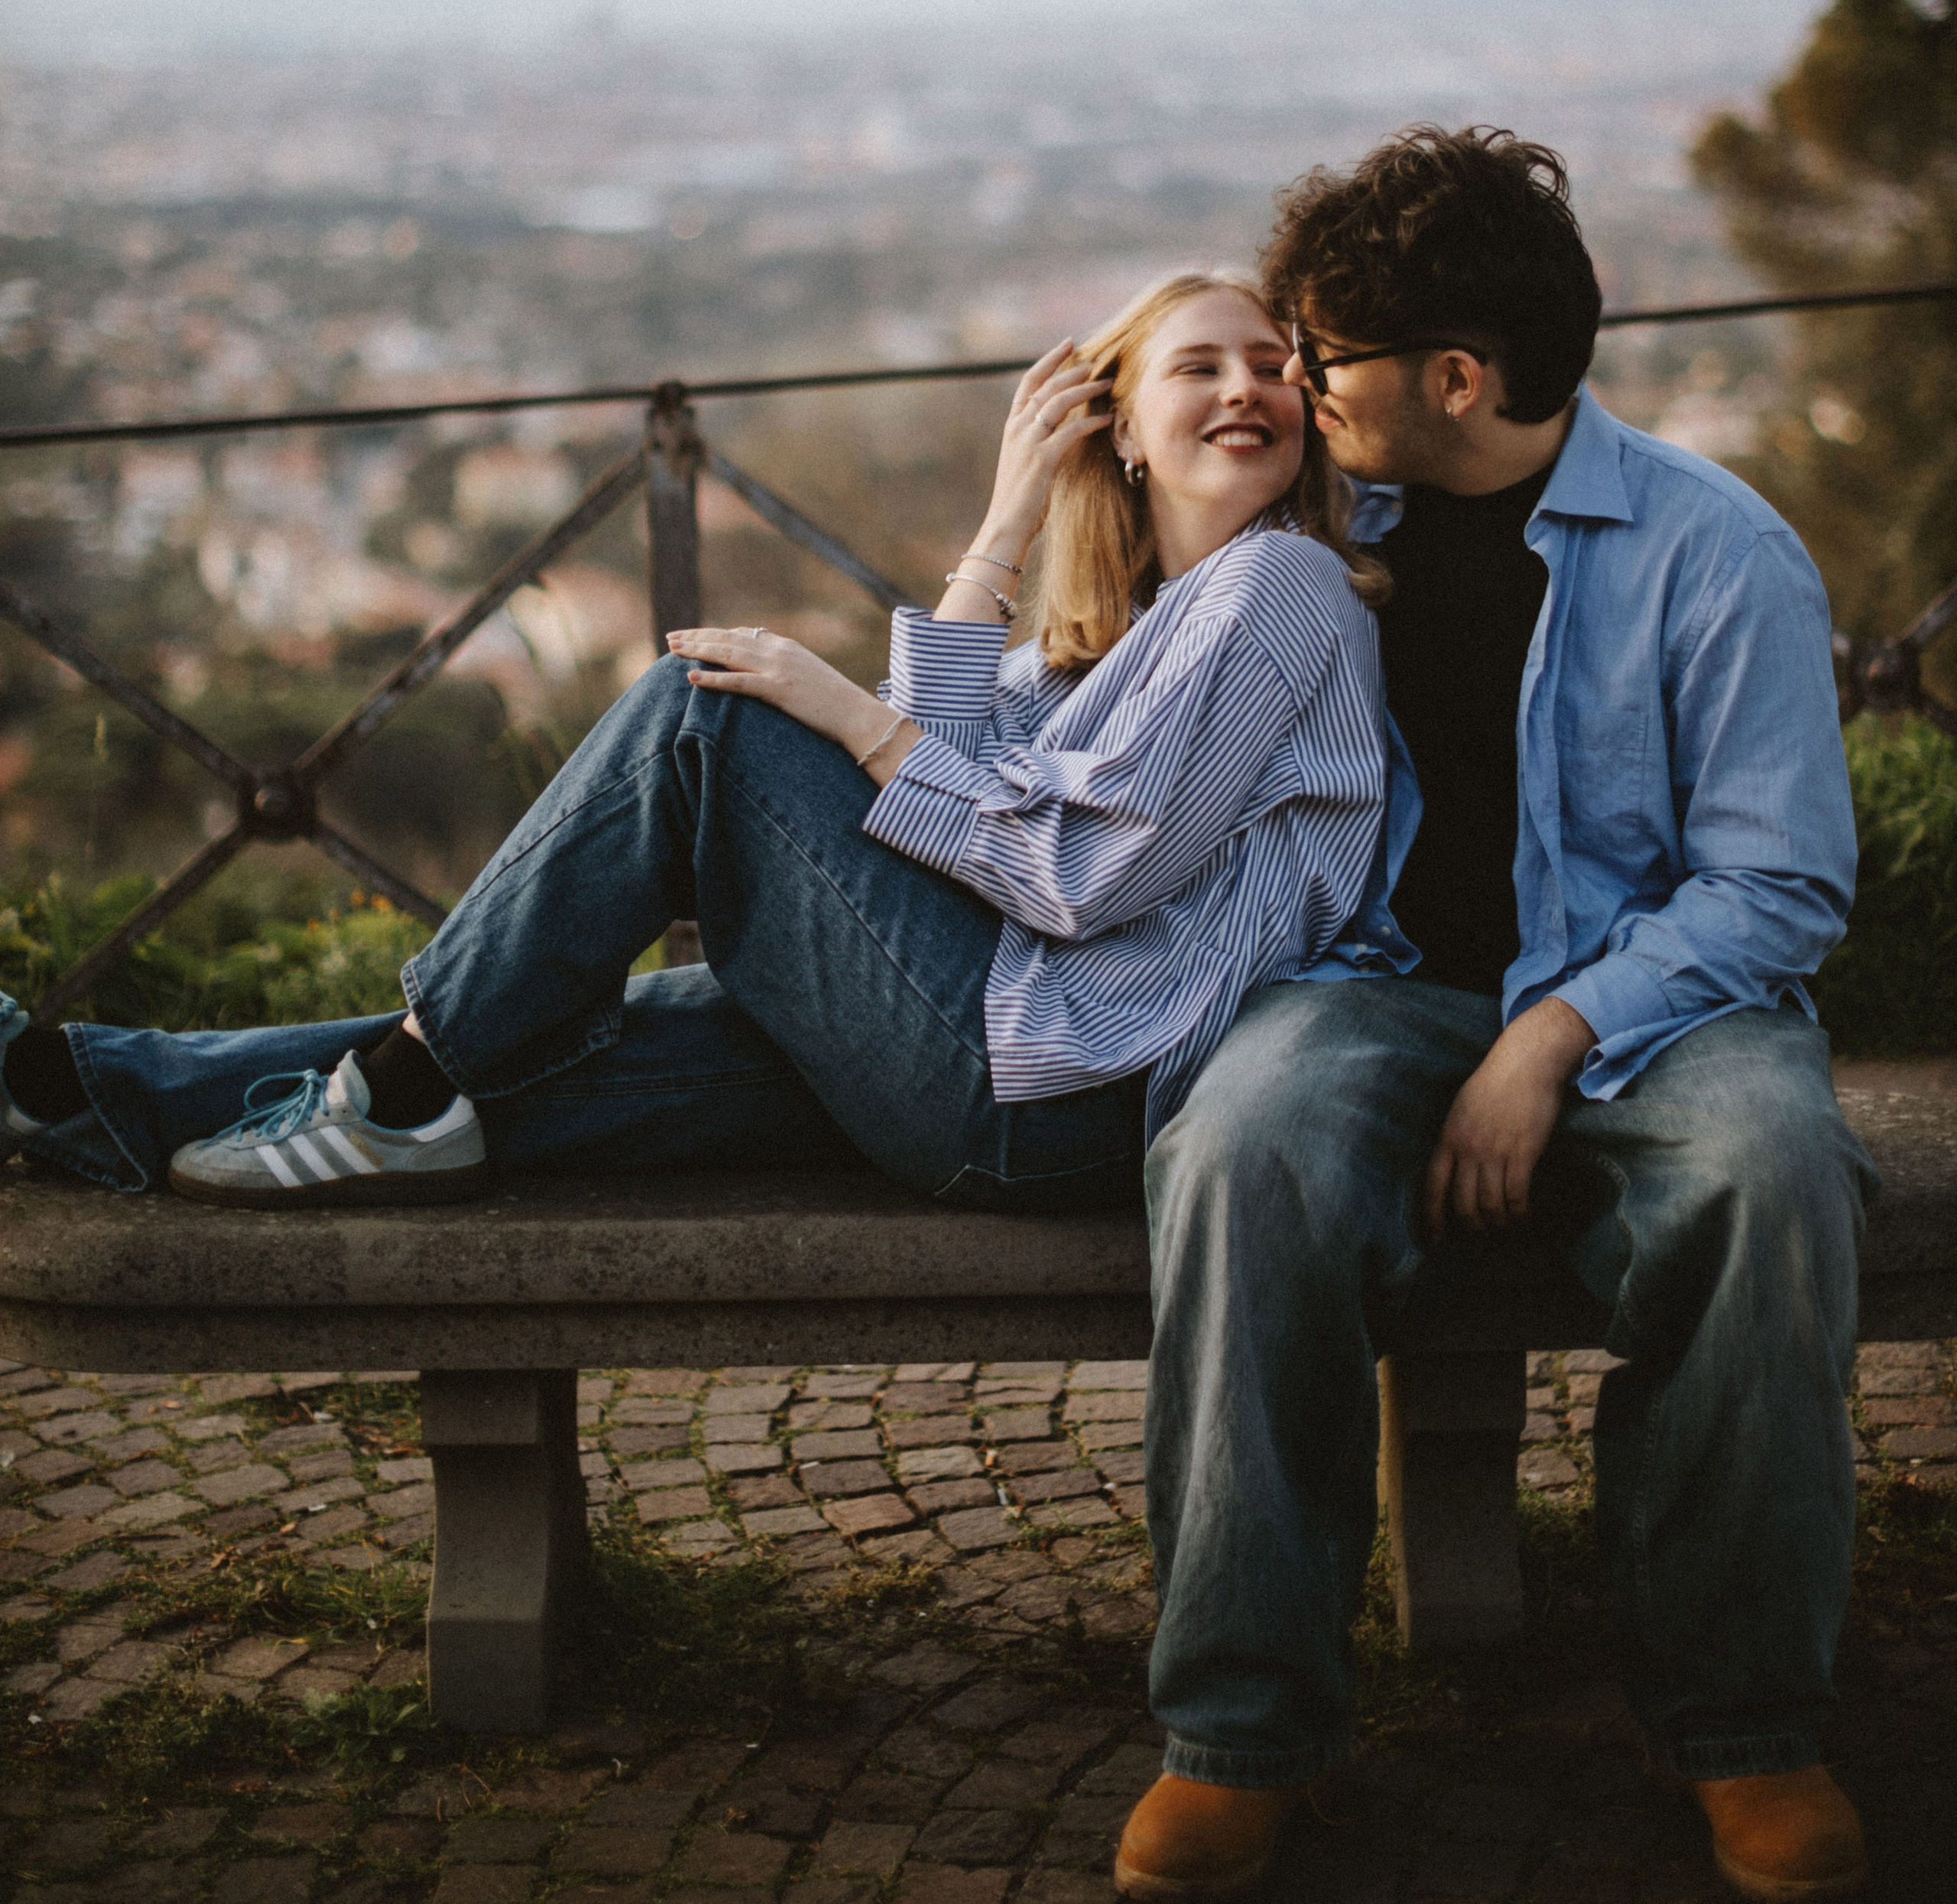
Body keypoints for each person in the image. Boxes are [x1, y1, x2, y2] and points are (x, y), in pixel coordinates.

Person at [1115, 131, 1876, 1904]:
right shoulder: (1300, 526)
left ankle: (1745, 1727)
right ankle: (1236, 1731)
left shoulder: (1714, 556)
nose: (1293, 385)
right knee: (1235, 1152)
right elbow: (1097, 698)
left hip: (1656, 1004)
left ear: (1452, 379)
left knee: (1770, 1178)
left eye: (1323, 358)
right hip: (1371, 988)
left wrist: (1547, 1041)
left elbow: (1772, 890)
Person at [0, 276, 1401, 1238]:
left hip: (1065, 1093)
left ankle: (406, 1084)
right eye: (1198, 366)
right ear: (1122, 428)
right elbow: (953, 782)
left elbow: (1076, 872)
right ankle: (85, 1087)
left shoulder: (1285, 588)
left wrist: (838, 708)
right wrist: (1007, 518)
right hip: (1000, 1059)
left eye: (1274, 369)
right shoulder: (1140, 627)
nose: (1248, 389)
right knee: (576, 1046)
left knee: (710, 712)